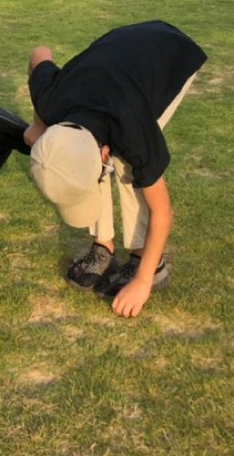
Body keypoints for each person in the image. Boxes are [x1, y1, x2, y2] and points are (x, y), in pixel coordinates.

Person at [24, 21, 207, 318]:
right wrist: (39, 124)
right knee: (83, 164)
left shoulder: (134, 130)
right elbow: (39, 54)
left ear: (103, 152)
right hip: (116, 60)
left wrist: (142, 283)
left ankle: (146, 260)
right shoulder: (50, 102)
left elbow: (162, 210)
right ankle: (103, 245)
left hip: (167, 53)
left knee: (128, 167)